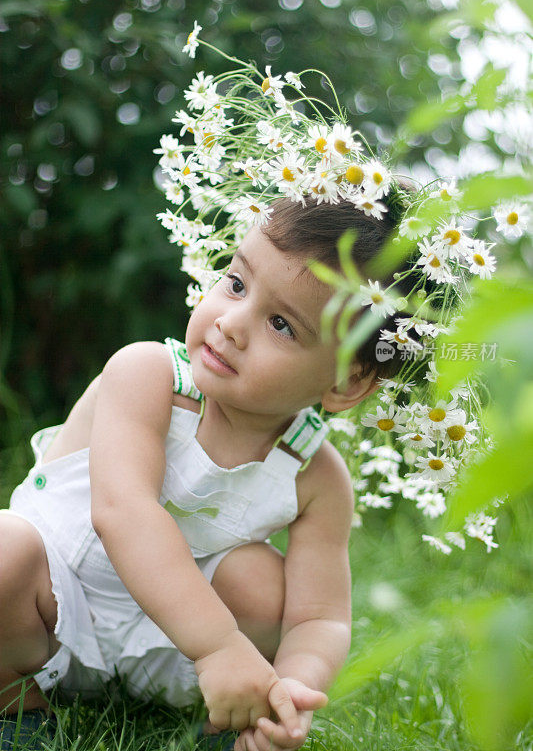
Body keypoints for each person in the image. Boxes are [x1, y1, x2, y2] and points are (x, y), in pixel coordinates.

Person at [0, 192, 415, 751]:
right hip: (52, 604)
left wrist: (290, 688)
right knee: (5, 550)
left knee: (267, 586)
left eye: (281, 325)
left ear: (344, 383)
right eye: (237, 284)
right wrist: (219, 647)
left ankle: (232, 717)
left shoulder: (315, 475)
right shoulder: (147, 376)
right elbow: (124, 515)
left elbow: (319, 618)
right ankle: (17, 704)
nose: (232, 323)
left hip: (168, 652)